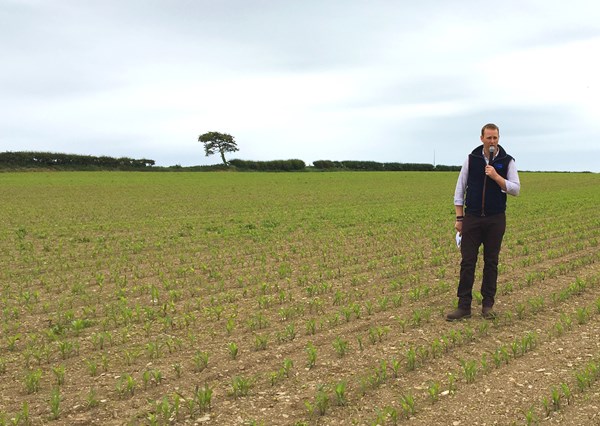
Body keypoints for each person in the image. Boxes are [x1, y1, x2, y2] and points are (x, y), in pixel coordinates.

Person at [446, 123, 521, 321]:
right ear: (481, 139)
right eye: (488, 138)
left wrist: (497, 177)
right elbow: (460, 190)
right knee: (468, 261)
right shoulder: (471, 159)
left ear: (499, 138)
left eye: (495, 138)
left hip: (495, 219)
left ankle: (488, 305)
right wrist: (459, 218)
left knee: (491, 262)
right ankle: (464, 306)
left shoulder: (507, 161)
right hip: (472, 218)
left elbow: (515, 189)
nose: (492, 142)